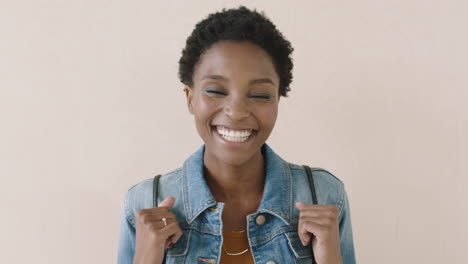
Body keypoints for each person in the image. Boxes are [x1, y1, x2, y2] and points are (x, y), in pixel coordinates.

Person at [117, 6, 356, 264]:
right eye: (216, 91)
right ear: (190, 98)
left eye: (260, 95)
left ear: (277, 99)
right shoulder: (144, 203)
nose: (237, 112)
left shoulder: (323, 196)